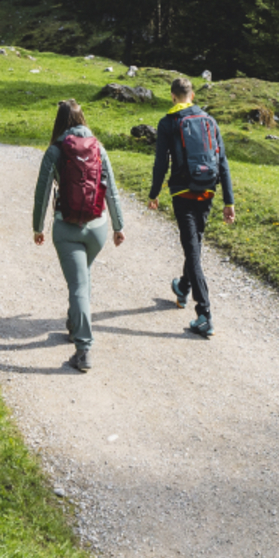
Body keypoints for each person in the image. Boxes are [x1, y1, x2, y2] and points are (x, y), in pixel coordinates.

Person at [32, 100, 126, 373]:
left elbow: (42, 193)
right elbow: (112, 190)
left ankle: (83, 350)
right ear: (82, 117)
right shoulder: (98, 147)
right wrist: (119, 227)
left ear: (59, 121)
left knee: (78, 286)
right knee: (82, 278)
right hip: (98, 228)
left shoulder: (55, 150)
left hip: (67, 228)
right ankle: (74, 327)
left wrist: (38, 227)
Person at [146, 74, 234, 337]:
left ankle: (205, 314)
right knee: (194, 243)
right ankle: (183, 286)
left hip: (183, 192)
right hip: (208, 190)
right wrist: (229, 201)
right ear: (192, 96)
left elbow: (161, 163)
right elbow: (223, 163)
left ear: (172, 96)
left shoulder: (168, 122)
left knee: (192, 250)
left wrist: (154, 193)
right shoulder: (209, 120)